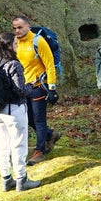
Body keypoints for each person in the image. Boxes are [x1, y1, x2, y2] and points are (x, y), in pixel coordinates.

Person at [0, 31, 41, 192]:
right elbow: (21, 90)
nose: (18, 46)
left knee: (2, 145)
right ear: (10, 46)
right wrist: (33, 84)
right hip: (14, 110)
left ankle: (6, 179)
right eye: (16, 44)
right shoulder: (14, 64)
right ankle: (21, 179)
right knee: (18, 145)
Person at [12, 16, 61, 165]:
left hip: (39, 87)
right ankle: (50, 134)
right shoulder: (15, 42)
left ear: (28, 26)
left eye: (20, 27)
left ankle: (40, 151)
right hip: (23, 88)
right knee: (27, 119)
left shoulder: (38, 41)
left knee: (39, 120)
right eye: (14, 28)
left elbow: (50, 64)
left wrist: (52, 88)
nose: (17, 31)